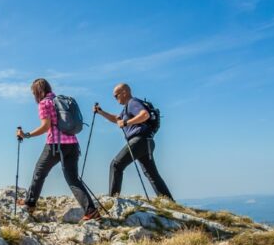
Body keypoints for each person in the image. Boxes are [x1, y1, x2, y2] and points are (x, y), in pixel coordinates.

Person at [16, 78, 100, 220]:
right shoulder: (59, 100)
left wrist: (26, 135)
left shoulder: (45, 103)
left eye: (33, 93)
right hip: (73, 144)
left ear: (38, 92)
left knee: (39, 172)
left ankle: (30, 203)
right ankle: (91, 212)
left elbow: (45, 126)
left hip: (55, 145)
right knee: (73, 179)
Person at [94, 83, 174, 200]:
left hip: (139, 141)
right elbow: (117, 119)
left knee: (116, 165)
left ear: (124, 92)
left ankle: (113, 199)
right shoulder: (127, 107)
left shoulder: (133, 103)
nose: (115, 99)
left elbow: (144, 115)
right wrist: (101, 112)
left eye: (116, 96)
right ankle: (169, 201)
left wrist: (126, 123)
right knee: (151, 174)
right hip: (147, 142)